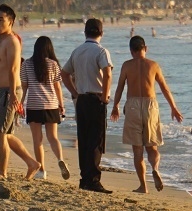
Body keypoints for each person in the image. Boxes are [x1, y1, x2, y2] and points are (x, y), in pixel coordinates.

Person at [110, 36, 183, 193]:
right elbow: (164, 88)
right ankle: (155, 168)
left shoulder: (127, 65)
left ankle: (143, 186)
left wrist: (115, 106)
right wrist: (173, 108)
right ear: (146, 48)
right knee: (152, 147)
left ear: (131, 51)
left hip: (133, 106)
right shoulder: (153, 65)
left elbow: (120, 87)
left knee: (137, 150)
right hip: (151, 105)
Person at [62, 18, 114, 193]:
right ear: (101, 33)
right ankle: (93, 179)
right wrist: (106, 96)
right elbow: (107, 73)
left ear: (85, 32)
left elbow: (64, 73)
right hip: (96, 98)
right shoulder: (101, 51)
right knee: (96, 140)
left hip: (82, 98)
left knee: (83, 139)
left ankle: (85, 178)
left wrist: (74, 92)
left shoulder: (77, 51)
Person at [0, 4, 40, 179]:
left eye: (0, 19)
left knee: (0, 132)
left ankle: (2, 172)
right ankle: (32, 163)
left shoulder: (12, 41)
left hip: (10, 90)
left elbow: (13, 70)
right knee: (6, 134)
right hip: (2, 90)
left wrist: (11, 94)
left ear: (10, 21)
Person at [21, 36, 70, 180]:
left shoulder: (27, 64)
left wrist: (20, 104)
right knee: (53, 137)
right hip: (51, 104)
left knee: (38, 140)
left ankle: (42, 170)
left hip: (34, 105)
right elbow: (57, 87)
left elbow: (24, 87)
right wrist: (62, 105)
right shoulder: (53, 64)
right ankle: (60, 159)